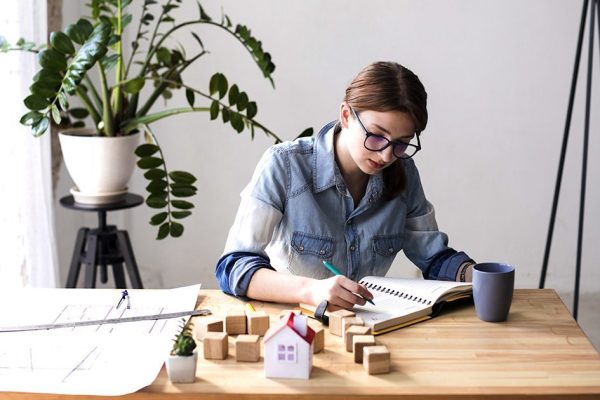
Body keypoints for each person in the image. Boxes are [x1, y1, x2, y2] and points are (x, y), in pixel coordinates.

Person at [215, 61, 475, 309]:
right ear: (346, 115)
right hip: (296, 328)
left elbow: (433, 257)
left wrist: (473, 274)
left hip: (369, 328)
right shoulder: (284, 165)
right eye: (376, 136)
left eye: (401, 143)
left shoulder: (403, 172)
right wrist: (311, 291)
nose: (386, 156)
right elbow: (234, 267)